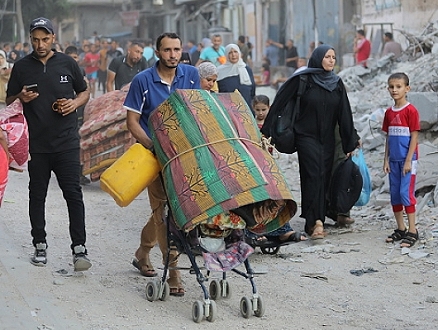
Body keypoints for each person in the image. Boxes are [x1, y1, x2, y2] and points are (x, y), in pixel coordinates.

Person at [6, 17, 91, 270]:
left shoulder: (68, 63)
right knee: (37, 194)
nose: (40, 44)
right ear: (30, 39)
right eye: (35, 39)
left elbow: (84, 91)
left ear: (53, 38)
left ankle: (80, 249)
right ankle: (39, 244)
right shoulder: (21, 67)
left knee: (73, 194)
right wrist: (20, 96)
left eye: (44, 39)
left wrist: (74, 104)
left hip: (66, 141)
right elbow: (9, 98)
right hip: (37, 144)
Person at [124, 32, 200, 296]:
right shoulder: (142, 81)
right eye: (167, 50)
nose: (173, 55)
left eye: (177, 49)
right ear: (157, 53)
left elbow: (198, 111)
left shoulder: (191, 75)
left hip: (185, 156)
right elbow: (132, 121)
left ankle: (143, 252)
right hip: (155, 158)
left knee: (171, 210)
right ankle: (174, 274)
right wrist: (151, 145)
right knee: (163, 214)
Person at [262, 44, 358, 239]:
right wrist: (267, 130)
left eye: (333, 57)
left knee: (324, 177)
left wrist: (351, 141)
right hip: (306, 137)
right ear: (318, 58)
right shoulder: (303, 79)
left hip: (328, 139)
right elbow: (280, 101)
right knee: (313, 175)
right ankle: (316, 222)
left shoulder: (336, 83)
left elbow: (344, 114)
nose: (331, 60)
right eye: (327, 57)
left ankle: (314, 219)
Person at [246, 94, 306, 244]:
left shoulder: (272, 124)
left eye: (263, 109)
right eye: (258, 109)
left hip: (269, 167)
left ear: (269, 108)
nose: (260, 112)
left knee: (277, 196)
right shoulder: (249, 125)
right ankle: (256, 231)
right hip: (255, 167)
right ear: (253, 109)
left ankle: (282, 230)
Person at [383, 72, 420, 248]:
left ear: (407, 88)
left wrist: (408, 161)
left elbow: (414, 137)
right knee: (396, 195)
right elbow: (388, 138)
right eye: (391, 87)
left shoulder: (411, 111)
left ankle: (413, 230)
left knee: (406, 194)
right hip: (393, 161)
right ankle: (401, 228)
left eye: (398, 86)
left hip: (408, 161)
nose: (394, 90)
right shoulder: (389, 113)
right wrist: (386, 160)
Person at [64, 45, 92, 186]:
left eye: (76, 57)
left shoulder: (80, 71)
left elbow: (86, 90)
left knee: (79, 142)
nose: (74, 60)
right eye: (72, 58)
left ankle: (79, 173)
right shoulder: (60, 70)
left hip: (79, 110)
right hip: (64, 110)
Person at [217, 43, 256, 113]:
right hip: (228, 111)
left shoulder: (246, 69)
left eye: (235, 52)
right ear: (226, 55)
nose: (233, 55)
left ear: (239, 53)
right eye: (230, 52)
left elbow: (252, 91)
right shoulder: (220, 71)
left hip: (246, 110)